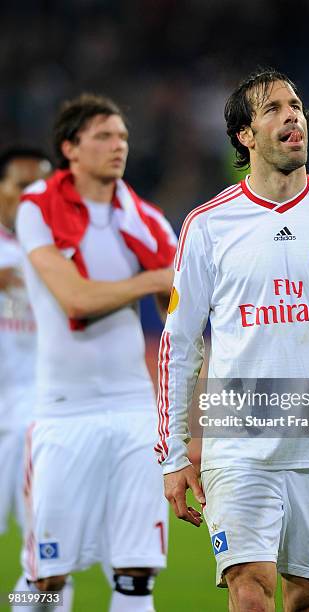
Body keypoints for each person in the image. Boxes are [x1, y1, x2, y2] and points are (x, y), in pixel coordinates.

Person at [157, 69, 309, 612]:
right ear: (245, 135)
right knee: (250, 592)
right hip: (239, 440)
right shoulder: (208, 225)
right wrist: (172, 453)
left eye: (297, 104)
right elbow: (179, 342)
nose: (292, 115)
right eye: (272, 108)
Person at [15, 94, 177, 612]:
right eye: (104, 136)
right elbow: (75, 297)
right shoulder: (37, 207)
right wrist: (154, 279)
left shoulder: (146, 219)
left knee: (136, 573)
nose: (118, 146)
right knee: (45, 578)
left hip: (134, 408)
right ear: (70, 148)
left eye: (124, 137)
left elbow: (180, 311)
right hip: (64, 411)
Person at [0, 147, 52, 538]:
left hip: (36, 415)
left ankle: (27, 602)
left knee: (48, 545)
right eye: (22, 186)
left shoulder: (58, 252)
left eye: (41, 186)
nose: (32, 195)